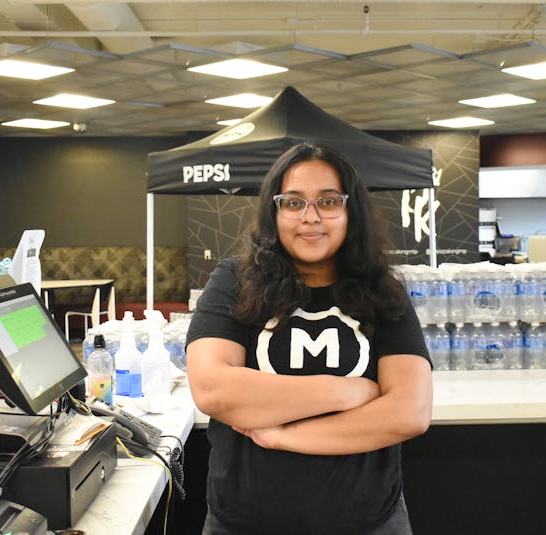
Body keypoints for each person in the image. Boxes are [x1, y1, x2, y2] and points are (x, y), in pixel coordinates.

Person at [186, 143, 433, 535]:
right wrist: (347, 392)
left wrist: (285, 437)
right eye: (293, 202)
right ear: (273, 212)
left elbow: (410, 412)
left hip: (369, 523)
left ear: (351, 211)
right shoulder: (234, 281)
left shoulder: (383, 291)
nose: (310, 216)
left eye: (329, 201)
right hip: (245, 524)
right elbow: (214, 390)